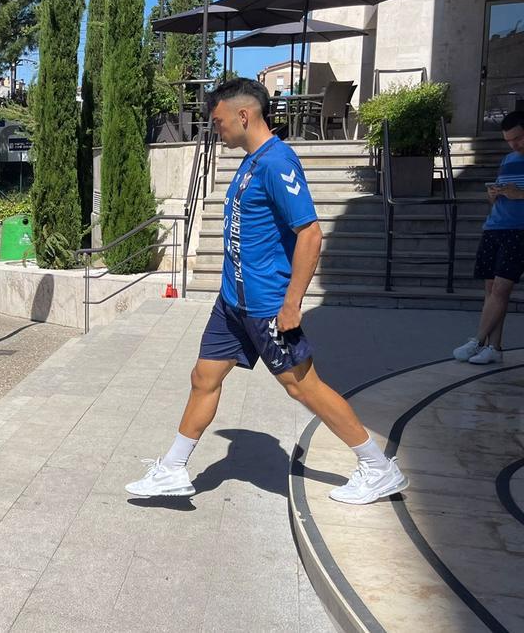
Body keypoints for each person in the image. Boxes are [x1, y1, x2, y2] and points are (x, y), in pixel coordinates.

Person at [125, 78, 408, 505]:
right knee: (203, 377)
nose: (213, 128)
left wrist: (292, 303)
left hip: (267, 305)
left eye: (217, 120)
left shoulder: (277, 162)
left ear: (244, 115)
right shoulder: (250, 160)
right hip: (232, 303)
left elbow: (310, 234)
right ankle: (172, 470)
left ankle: (377, 467)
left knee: (303, 387)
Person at [453, 111, 524, 365]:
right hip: (495, 227)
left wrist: (520, 195)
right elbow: (501, 188)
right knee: (492, 290)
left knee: (502, 288)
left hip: (519, 230)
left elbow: (518, 193)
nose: (514, 144)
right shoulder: (507, 160)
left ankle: (476, 340)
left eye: (517, 138)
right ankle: (494, 347)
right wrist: (494, 194)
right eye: (509, 140)